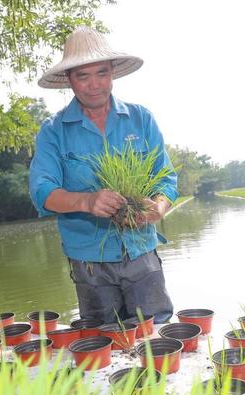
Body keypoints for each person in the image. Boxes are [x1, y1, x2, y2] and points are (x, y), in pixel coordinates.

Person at [29, 26, 177, 324]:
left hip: (141, 252)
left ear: (112, 73)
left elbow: (166, 179)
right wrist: (87, 201)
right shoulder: (53, 131)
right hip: (89, 261)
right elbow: (42, 191)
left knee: (156, 335)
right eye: (83, 76)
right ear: (69, 80)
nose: (94, 84)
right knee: (101, 341)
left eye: (101, 73)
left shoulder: (140, 118)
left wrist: (157, 207)